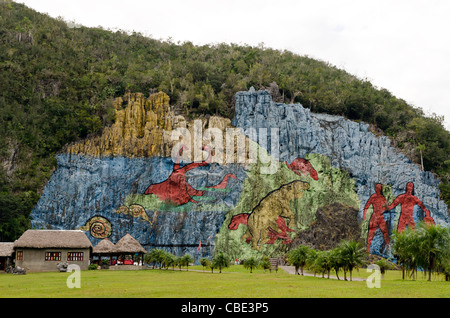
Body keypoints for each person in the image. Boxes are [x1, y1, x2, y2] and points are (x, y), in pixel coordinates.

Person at [363, 184, 390, 253]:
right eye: (376, 188)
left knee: (385, 231)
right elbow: (366, 206)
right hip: (375, 215)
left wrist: (384, 208)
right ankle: (368, 248)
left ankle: (387, 246)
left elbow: (387, 207)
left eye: (378, 188)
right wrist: (364, 216)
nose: (377, 189)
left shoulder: (382, 197)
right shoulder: (373, 197)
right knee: (371, 231)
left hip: (380, 215)